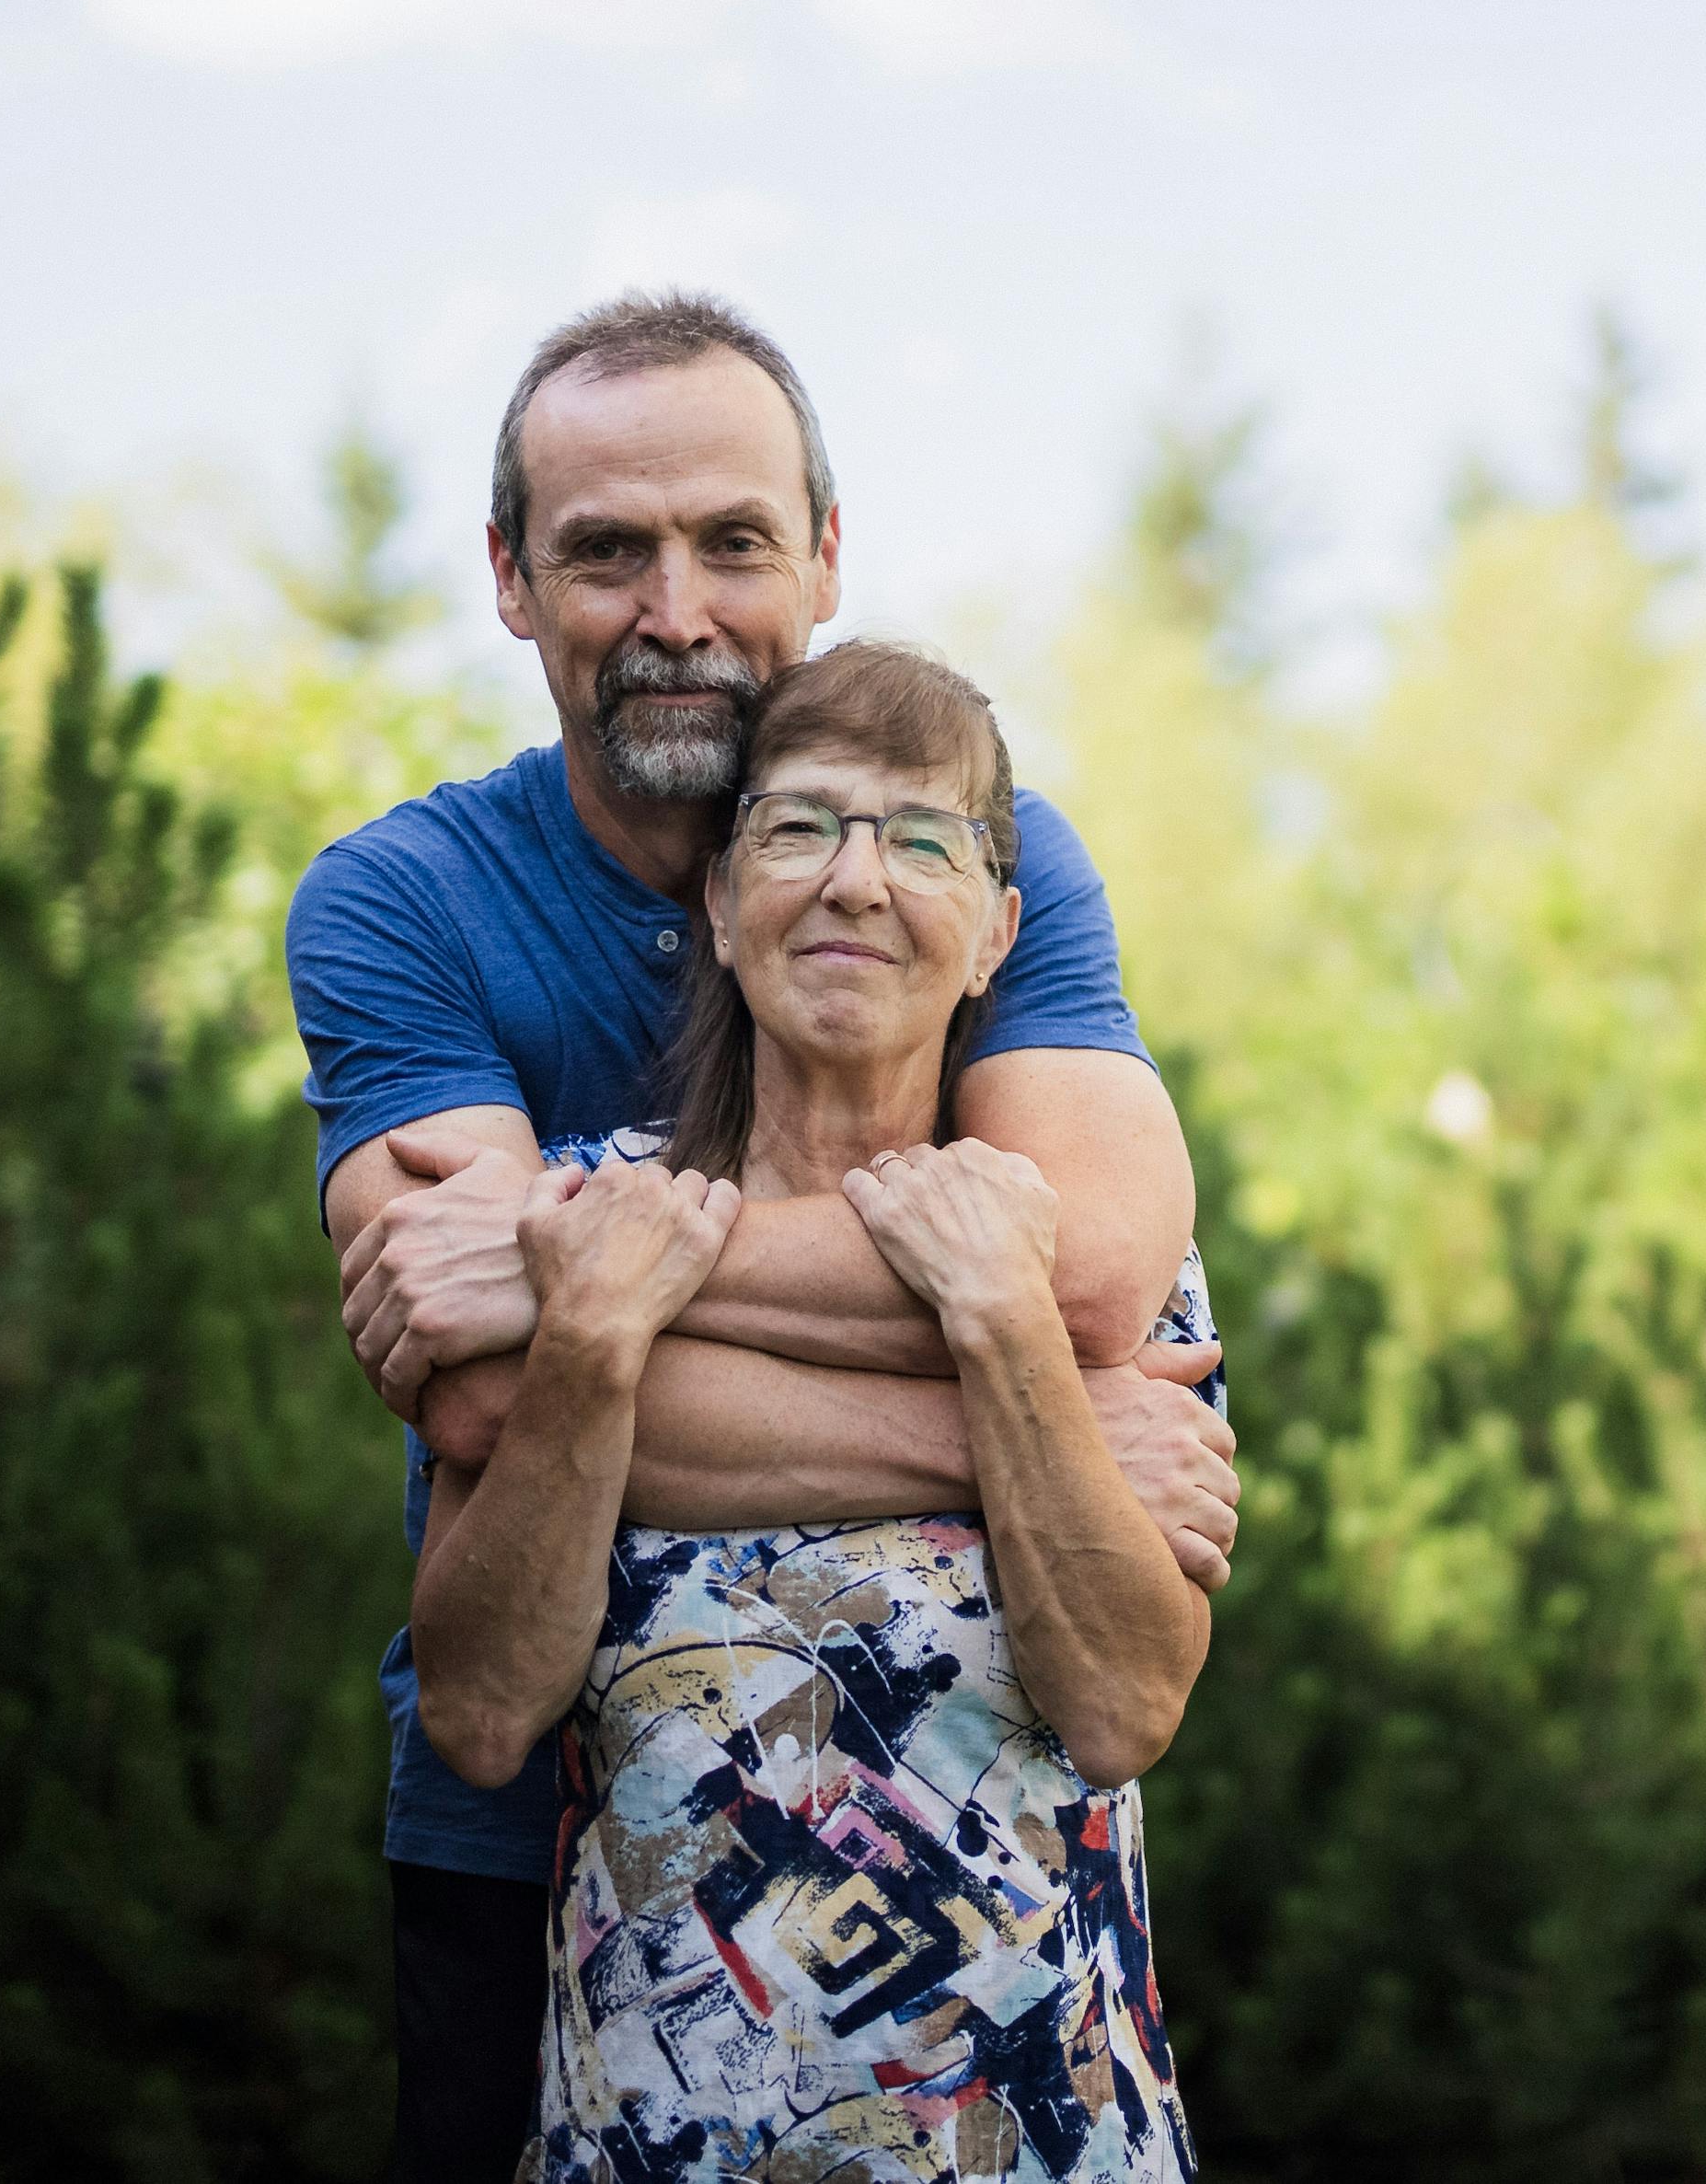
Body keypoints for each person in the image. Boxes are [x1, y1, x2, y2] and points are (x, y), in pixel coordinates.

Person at [288, 293, 1238, 2183]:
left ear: (820, 552)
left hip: (988, 1942)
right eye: (604, 550)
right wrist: (1036, 1435)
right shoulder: (404, 896)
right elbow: (486, 1396)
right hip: (548, 1848)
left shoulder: (996, 843)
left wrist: (588, 1273)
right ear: (509, 577)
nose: (676, 606)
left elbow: (1090, 1283)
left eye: (732, 538)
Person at [412, 642, 1207, 2180]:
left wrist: (999, 1324)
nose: (857, 880)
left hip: (1039, 2143)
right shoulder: (578, 1218)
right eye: (797, 827)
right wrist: (589, 1330)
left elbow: (1121, 1706)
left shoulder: (1088, 1255)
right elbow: (482, 1714)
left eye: (923, 839)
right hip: (662, 2139)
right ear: (718, 904)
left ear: (998, 934)